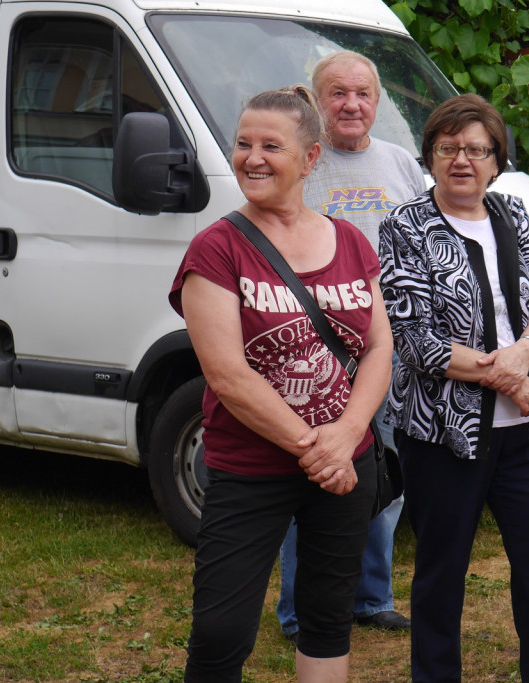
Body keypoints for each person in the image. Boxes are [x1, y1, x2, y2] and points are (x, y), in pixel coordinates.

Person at [170, 85, 393, 682]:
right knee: (221, 630)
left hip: (346, 461)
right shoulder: (216, 248)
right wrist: (318, 449)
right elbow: (227, 375)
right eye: (243, 143)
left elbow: (378, 346)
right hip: (251, 469)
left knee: (328, 620)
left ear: (310, 158)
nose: (253, 157)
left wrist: (347, 435)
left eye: (271, 145)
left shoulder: (349, 240)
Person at [379, 93, 529, 682]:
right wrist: (508, 377)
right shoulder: (405, 226)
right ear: (430, 155)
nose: (462, 160)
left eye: (477, 150)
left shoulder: (510, 213)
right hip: (444, 433)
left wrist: (524, 354)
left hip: (525, 431)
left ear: (496, 160)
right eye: (449, 148)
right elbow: (415, 340)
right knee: (441, 575)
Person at [276, 50, 424, 638]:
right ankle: (299, 609)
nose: (351, 104)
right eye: (337, 93)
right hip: (317, 354)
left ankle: (371, 598)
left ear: (378, 102)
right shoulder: (302, 162)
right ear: (317, 101)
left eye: (363, 93)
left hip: (388, 349)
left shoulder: (401, 162)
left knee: (382, 475)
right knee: (311, 476)